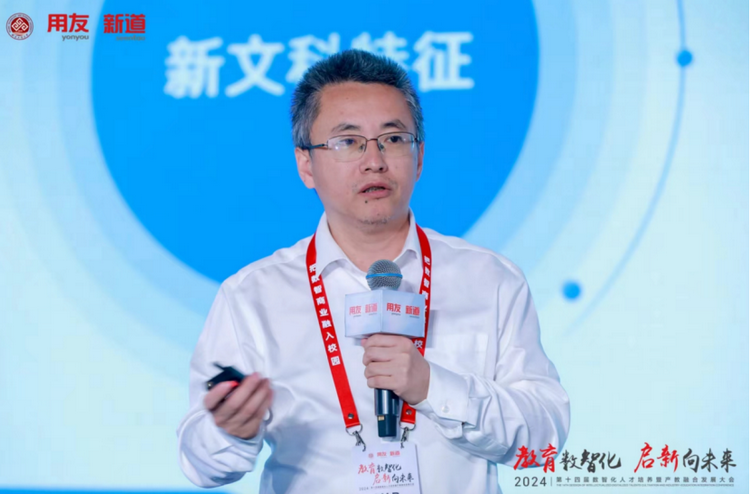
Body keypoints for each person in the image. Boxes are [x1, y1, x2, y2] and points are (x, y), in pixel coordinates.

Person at [176, 49, 570, 494]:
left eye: (393, 138)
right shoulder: (253, 295)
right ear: (306, 165)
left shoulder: (489, 279)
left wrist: (432, 386)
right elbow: (201, 467)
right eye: (348, 142)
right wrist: (231, 431)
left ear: (419, 157)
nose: (374, 160)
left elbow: (545, 439)